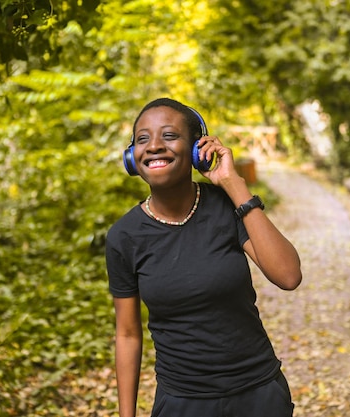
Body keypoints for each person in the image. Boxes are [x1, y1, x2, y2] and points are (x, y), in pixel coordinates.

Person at [105, 97, 302, 417]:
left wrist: (233, 184)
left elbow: (288, 275)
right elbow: (127, 334)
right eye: (143, 139)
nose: (154, 145)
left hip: (259, 395)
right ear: (132, 157)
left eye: (169, 135)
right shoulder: (124, 237)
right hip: (183, 402)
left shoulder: (227, 206)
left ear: (199, 150)